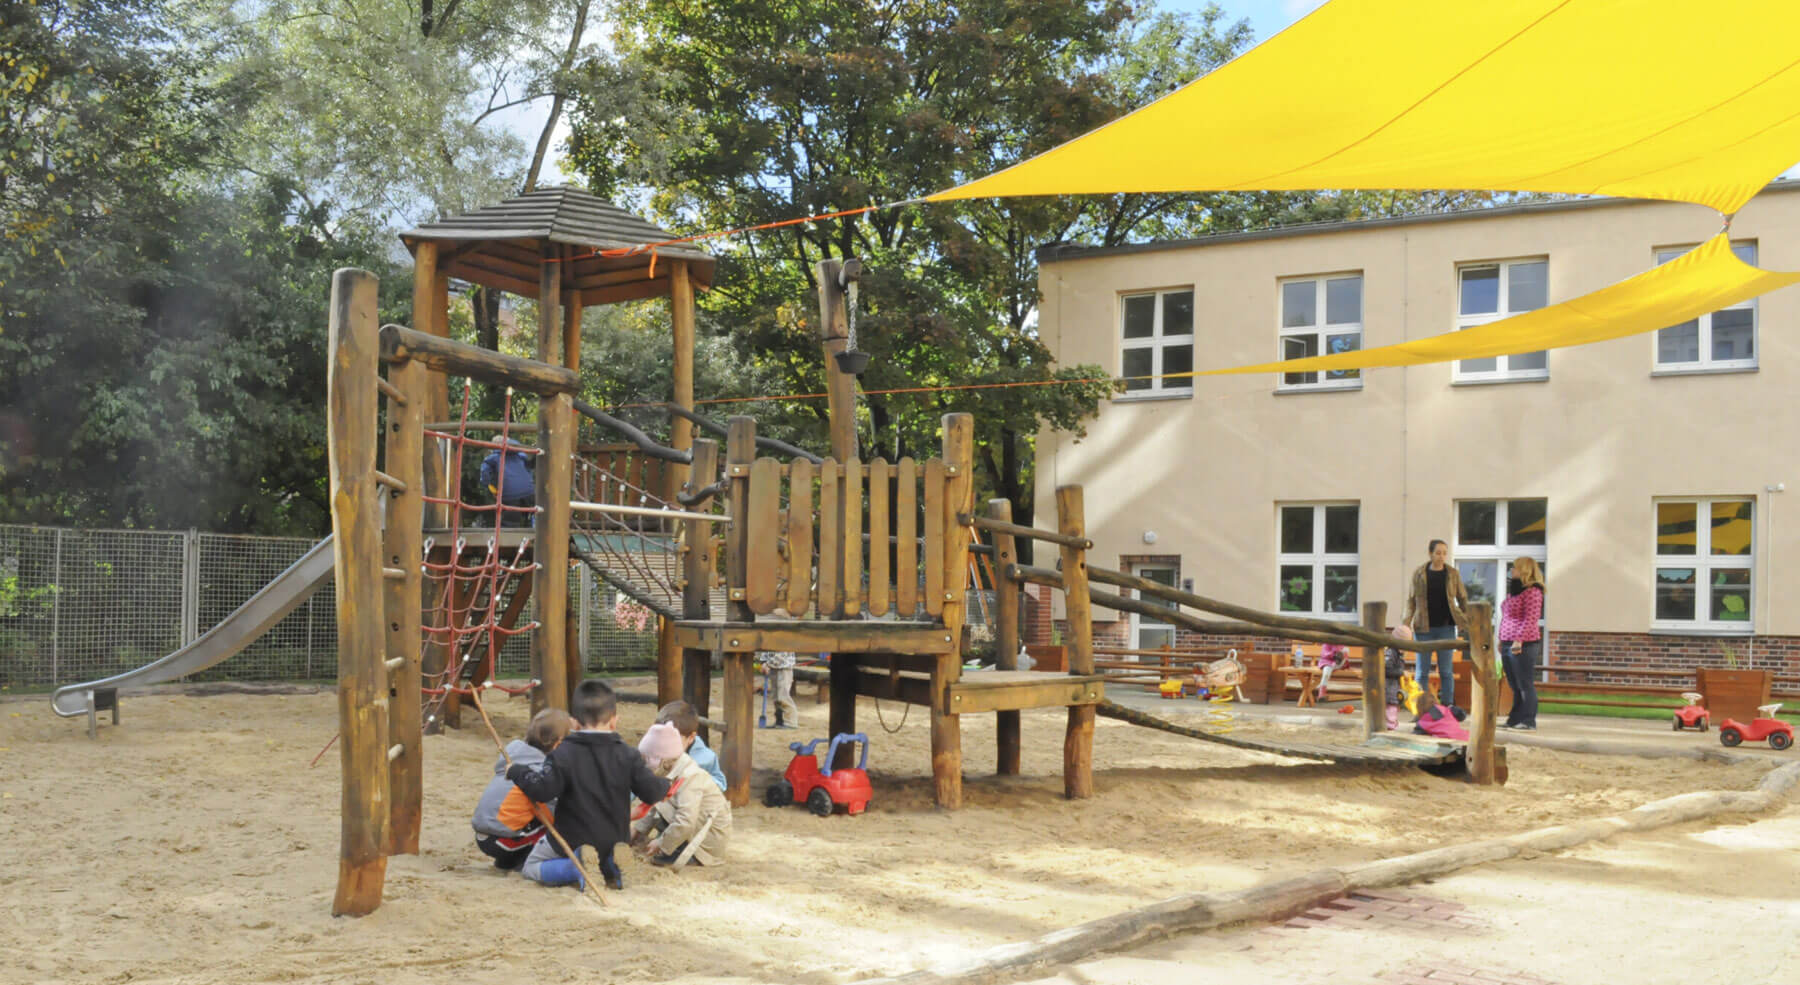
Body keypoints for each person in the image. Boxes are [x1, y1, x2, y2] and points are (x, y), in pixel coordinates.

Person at [508, 680, 669, 891]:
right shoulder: (628, 754)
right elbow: (651, 792)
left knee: (531, 866)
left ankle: (575, 868)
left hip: (573, 839)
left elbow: (542, 790)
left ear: (574, 723)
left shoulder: (563, 754)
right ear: (614, 721)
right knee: (605, 858)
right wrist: (665, 785)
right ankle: (613, 865)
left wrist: (518, 771)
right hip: (614, 839)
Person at [470, 708, 571, 871]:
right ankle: (523, 860)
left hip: (484, 835)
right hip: (502, 840)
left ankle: (507, 861)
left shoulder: (513, 758)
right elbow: (551, 815)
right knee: (556, 830)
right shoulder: (536, 774)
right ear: (558, 744)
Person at [630, 722, 733, 867]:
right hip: (695, 829)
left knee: (667, 804)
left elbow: (686, 820)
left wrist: (661, 843)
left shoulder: (690, 776)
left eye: (647, 760)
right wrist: (638, 830)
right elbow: (655, 805)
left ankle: (685, 853)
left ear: (663, 761)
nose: (645, 766)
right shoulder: (672, 766)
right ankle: (672, 844)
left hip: (706, 844)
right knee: (661, 797)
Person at [1401, 539, 1468, 707]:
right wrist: (1406, 624)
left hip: (1446, 627)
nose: (1441, 556)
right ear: (1430, 553)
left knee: (1446, 670)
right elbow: (1411, 601)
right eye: (1438, 553)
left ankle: (1447, 706)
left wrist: (1466, 619)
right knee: (1422, 671)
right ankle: (1421, 707)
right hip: (1423, 629)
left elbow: (1462, 597)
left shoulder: (1452, 574)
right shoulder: (1419, 574)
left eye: (1444, 553)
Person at [1499, 556, 1546, 732]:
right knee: (1514, 684)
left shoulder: (1533, 591)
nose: (1512, 570)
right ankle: (1515, 718)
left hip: (1523, 644)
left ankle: (1528, 720)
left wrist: (1518, 640)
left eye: (1515, 568)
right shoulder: (1514, 592)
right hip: (1507, 642)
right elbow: (1506, 617)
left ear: (1524, 570)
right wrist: (1501, 639)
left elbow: (1530, 619)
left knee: (1525, 683)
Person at [656, 700, 728, 791]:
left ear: (690, 737)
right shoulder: (654, 750)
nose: (667, 744)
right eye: (662, 737)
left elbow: (721, 785)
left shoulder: (706, 757)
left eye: (673, 739)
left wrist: (697, 776)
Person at [479, 443, 536, 527]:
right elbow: (529, 467)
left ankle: (511, 529)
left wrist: (487, 485)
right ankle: (537, 524)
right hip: (529, 490)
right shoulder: (520, 455)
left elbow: (485, 473)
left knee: (510, 520)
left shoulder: (492, 458)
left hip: (509, 493)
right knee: (537, 509)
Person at [1382, 626, 1414, 730]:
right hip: (1388, 687)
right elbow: (1386, 669)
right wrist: (1401, 672)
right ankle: (1390, 725)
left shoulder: (1398, 653)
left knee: (1393, 707)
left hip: (1393, 686)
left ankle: (1391, 724)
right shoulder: (1391, 653)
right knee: (1391, 706)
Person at [761, 649, 799, 729]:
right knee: (776, 697)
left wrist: (767, 664)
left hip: (784, 668)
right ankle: (779, 721)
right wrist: (763, 662)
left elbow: (782, 655)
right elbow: (764, 649)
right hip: (773, 668)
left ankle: (791, 722)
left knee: (783, 696)